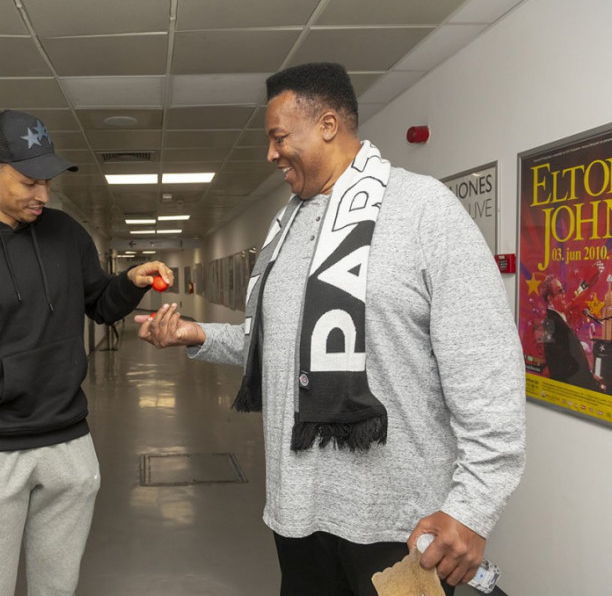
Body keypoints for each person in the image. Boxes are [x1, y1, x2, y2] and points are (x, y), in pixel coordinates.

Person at [136, 63, 525, 596]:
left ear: (327, 125)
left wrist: (473, 508)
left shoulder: (424, 210)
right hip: (297, 515)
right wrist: (195, 335)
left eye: (278, 137)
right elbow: (276, 346)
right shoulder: (285, 229)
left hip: (401, 525)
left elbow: (488, 369)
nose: (270, 154)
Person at [0, 109, 172, 596]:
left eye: (47, 181)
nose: (43, 195)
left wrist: (130, 282)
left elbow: (99, 303)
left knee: (58, 589)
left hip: (68, 445)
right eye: (29, 182)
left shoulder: (65, 234)